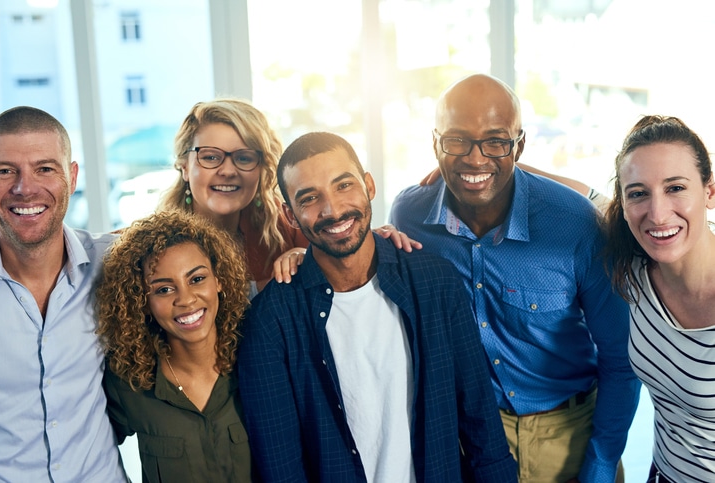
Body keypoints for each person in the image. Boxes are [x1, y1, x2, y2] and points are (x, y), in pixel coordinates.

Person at [390, 74, 640, 483]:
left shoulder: (576, 225)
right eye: (456, 141)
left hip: (570, 434)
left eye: (495, 141)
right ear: (436, 144)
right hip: (471, 437)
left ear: (519, 145)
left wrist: (599, 465)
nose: (475, 159)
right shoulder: (409, 217)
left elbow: (620, 361)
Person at [237, 131, 517, 483]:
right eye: (309, 198)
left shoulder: (435, 283)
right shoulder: (270, 321)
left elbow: (481, 426)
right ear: (290, 215)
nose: (333, 209)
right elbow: (280, 468)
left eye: (344, 186)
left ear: (369, 185)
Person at [0, 106, 127, 481]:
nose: (25, 188)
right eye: (5, 171)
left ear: (72, 175)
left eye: (45, 168)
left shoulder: (113, 264)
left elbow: (200, 265)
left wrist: (294, 253)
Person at [159, 98, 416, 296]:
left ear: (262, 167)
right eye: (211, 157)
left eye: (244, 157)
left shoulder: (286, 221)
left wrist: (376, 243)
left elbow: (342, 250)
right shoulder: (152, 245)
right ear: (183, 165)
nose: (227, 171)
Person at [96, 210, 252, 482]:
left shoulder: (257, 361)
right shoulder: (128, 383)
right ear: (142, 302)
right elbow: (87, 454)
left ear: (220, 281)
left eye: (197, 279)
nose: (186, 299)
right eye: (164, 289)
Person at [602, 115, 715, 483]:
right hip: (662, 474)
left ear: (710, 192)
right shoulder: (633, 266)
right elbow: (586, 196)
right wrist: (502, 166)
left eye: (676, 188)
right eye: (638, 193)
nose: (657, 213)